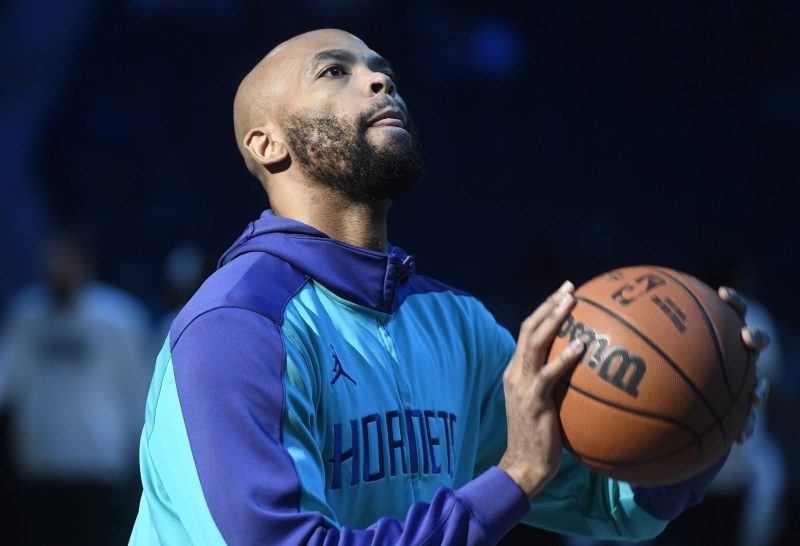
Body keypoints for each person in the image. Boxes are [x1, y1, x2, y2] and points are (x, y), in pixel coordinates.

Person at [129, 29, 769, 545]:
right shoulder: (237, 327)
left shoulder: (457, 325)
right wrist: (512, 477)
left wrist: (709, 406)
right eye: (335, 72)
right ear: (267, 144)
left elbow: (607, 503)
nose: (380, 81)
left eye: (382, 71)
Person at [0, 233, 152, 545]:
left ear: (85, 264)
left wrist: (140, 462)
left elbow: (140, 393)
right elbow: (6, 383)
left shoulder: (119, 319)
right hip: (42, 470)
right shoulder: (28, 317)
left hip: (100, 469)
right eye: (54, 260)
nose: (60, 269)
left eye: (67, 260)